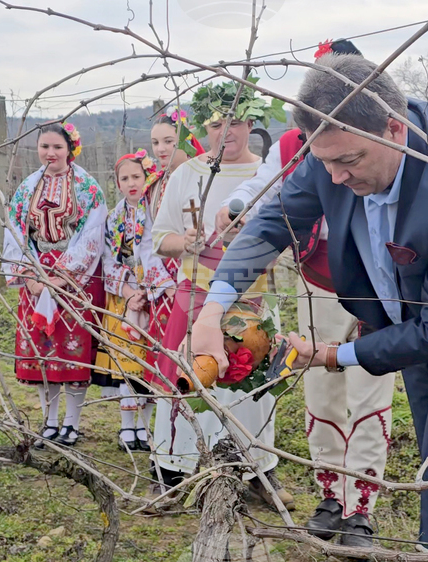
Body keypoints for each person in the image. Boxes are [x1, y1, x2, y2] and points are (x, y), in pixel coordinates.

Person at [193, 54, 428, 551]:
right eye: (323, 160)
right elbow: (274, 221)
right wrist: (211, 310)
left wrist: (331, 355)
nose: (332, 177)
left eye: (347, 162)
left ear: (395, 131)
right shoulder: (340, 145)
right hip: (421, 323)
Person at [213, 40, 397, 535]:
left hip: (378, 287)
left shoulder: (380, 140)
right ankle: (330, 496)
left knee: (369, 387)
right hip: (319, 280)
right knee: (320, 387)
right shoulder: (295, 143)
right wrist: (237, 204)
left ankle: (361, 505)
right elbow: (264, 186)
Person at [148, 79, 293, 510]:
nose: (226, 132)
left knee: (252, 391)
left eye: (236, 122)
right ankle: (171, 472)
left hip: (252, 299)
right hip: (193, 295)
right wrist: (186, 241)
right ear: (203, 127)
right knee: (183, 383)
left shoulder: (267, 173)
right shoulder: (187, 173)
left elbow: (293, 232)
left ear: (251, 123)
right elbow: (160, 238)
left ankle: (256, 473)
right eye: (215, 124)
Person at [2, 121, 107, 448]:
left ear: (70, 149)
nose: (50, 153)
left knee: (73, 352)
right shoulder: (27, 188)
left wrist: (63, 276)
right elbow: (15, 230)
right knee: (43, 351)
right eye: (45, 147)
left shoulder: (88, 188)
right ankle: (49, 420)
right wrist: (30, 275)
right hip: (34, 274)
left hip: (75, 280)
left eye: (57, 147)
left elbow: (93, 234)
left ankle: (72, 423)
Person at [93, 150, 177, 452]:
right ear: (117, 183)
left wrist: (152, 288)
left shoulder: (156, 210)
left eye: (136, 177)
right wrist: (129, 293)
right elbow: (108, 259)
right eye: (124, 178)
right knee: (126, 369)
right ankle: (127, 427)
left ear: (147, 178)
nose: (131, 183)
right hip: (125, 299)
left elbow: (154, 252)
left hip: (152, 297)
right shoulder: (113, 217)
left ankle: (145, 426)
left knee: (147, 367)